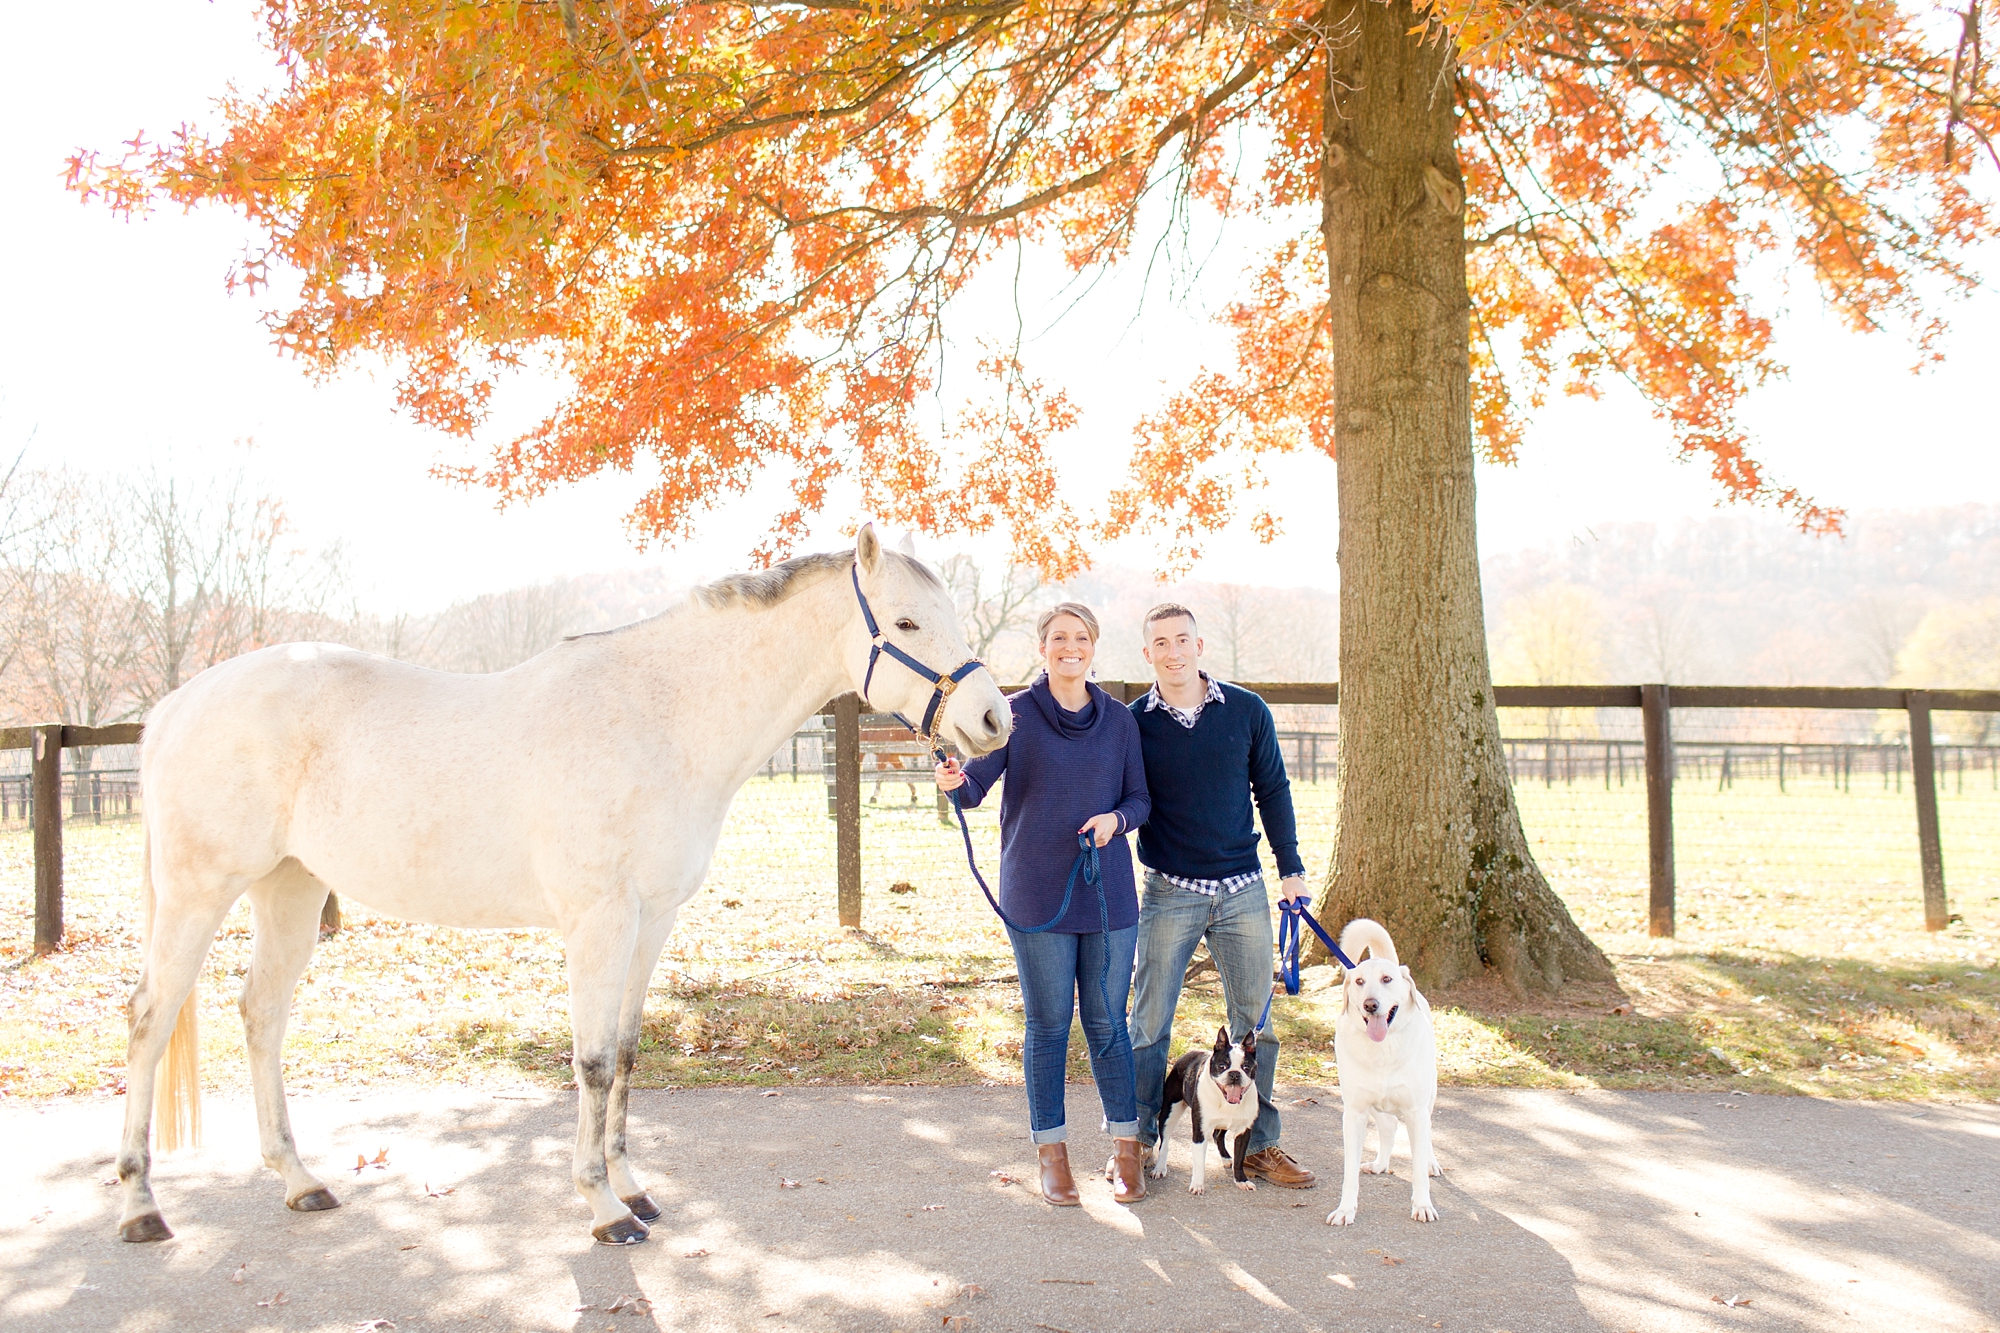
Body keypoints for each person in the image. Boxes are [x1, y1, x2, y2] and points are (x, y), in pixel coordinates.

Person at [935, 602, 1152, 1207]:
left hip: (1107, 894)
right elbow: (977, 787)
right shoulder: (1016, 715)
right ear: (1043, 648)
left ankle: (1125, 1149)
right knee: (1050, 1025)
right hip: (1035, 893)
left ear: (1093, 646)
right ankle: (1052, 1154)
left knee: (1108, 1024)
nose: (1070, 647)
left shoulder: (1119, 722)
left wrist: (1116, 819)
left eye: (1081, 638)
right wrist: (957, 780)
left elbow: (1140, 800)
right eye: (1059, 638)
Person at [1125, 603, 1318, 1188]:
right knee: (1149, 1021)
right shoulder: (1134, 722)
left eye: (1183, 639)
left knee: (1256, 1023)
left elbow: (1274, 788)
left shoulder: (1247, 710)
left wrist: (1291, 868)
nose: (1174, 651)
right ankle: (1135, 1140)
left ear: (1199, 645)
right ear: (1148, 653)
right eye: (1162, 642)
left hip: (1242, 888)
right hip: (1171, 889)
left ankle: (1257, 1144)